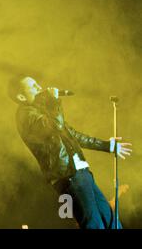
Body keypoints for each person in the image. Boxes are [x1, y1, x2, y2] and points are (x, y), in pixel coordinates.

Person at [8, 75, 132, 229]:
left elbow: (73, 135)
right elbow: (56, 126)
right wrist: (54, 102)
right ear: (21, 96)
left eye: (37, 84)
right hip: (67, 176)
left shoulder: (45, 113)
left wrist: (108, 146)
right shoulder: (25, 116)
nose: (40, 88)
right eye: (33, 86)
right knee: (94, 224)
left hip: (81, 172)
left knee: (112, 222)